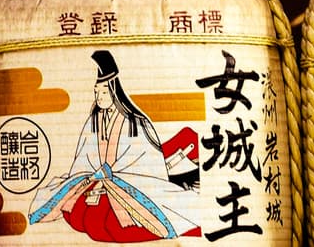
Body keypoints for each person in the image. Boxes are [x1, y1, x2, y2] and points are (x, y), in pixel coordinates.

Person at [28, 50, 201, 242]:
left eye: (103, 91)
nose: (99, 97)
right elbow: (84, 157)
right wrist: (90, 175)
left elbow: (141, 160)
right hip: (97, 181)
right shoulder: (93, 121)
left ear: (113, 90)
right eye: (96, 92)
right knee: (75, 213)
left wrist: (109, 173)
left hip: (126, 184)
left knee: (109, 223)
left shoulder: (135, 122)